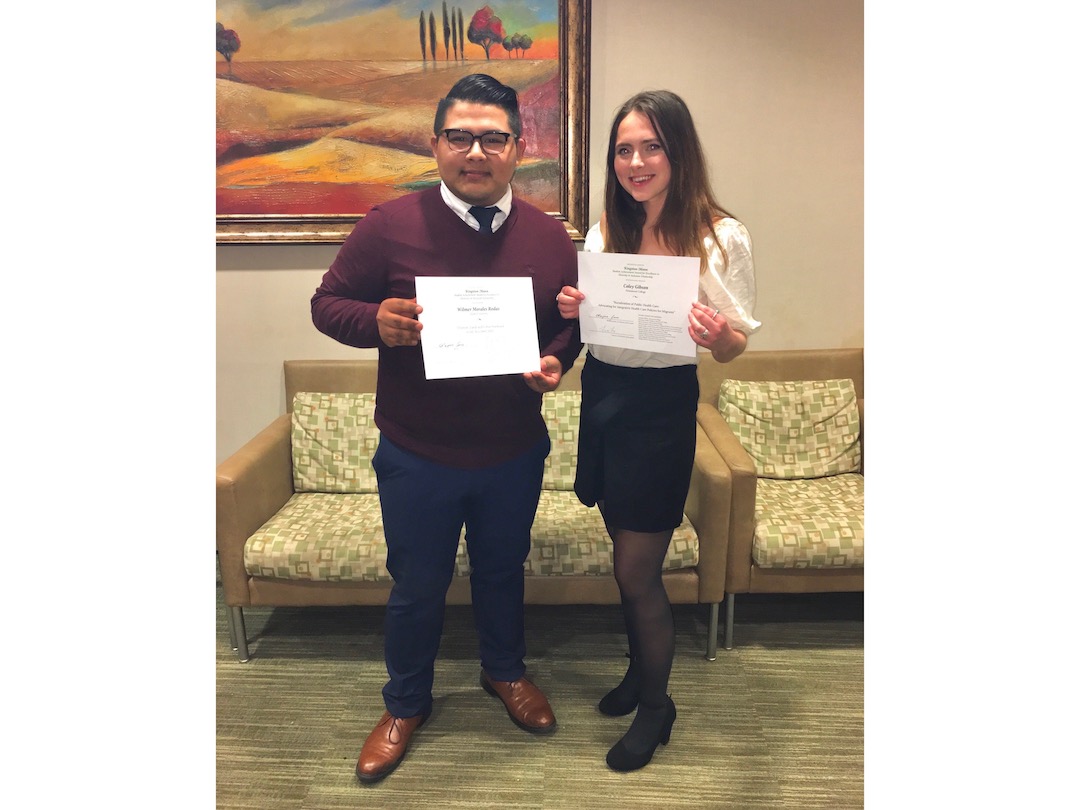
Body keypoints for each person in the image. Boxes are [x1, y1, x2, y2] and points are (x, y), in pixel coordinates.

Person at [311, 73, 581, 785]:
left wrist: (555, 359)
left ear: (518, 148)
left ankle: (506, 673)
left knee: (501, 572)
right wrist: (376, 322)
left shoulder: (551, 238)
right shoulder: (388, 226)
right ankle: (404, 704)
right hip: (416, 452)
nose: (475, 152)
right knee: (417, 585)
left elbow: (568, 326)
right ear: (436, 145)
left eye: (492, 137)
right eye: (459, 136)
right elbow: (326, 302)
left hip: (511, 451)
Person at [555, 90, 761, 772]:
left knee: (636, 567)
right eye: (624, 149)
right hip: (606, 397)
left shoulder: (720, 236)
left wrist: (720, 334)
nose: (636, 162)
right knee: (623, 549)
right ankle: (638, 672)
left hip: (661, 408)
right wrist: (574, 308)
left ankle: (657, 706)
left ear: (678, 152)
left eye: (651, 147)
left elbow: (732, 350)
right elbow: (594, 329)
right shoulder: (604, 230)